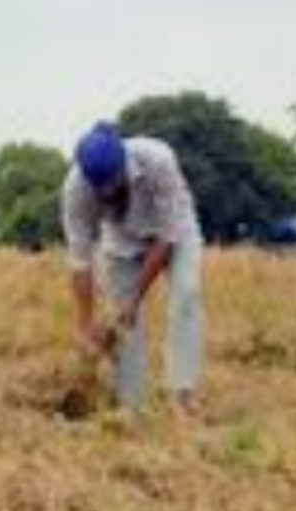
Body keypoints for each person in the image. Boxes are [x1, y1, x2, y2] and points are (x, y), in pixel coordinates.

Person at [61, 122, 204, 413]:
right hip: (119, 240)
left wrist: (134, 298)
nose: (105, 191)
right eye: (97, 186)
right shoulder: (75, 189)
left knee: (185, 295)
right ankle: (132, 401)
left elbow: (166, 239)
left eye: (111, 182)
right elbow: (80, 262)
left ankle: (182, 393)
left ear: (122, 164)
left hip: (173, 230)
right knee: (124, 323)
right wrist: (85, 328)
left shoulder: (158, 160)